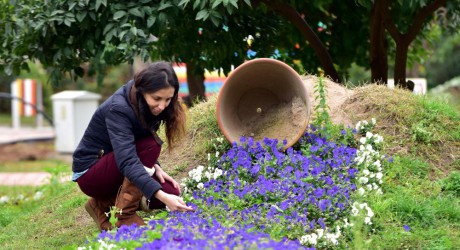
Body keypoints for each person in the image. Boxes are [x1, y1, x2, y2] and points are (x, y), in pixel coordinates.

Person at [72, 61, 194, 232]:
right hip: (91, 174)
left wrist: (156, 167)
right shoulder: (119, 109)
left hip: (114, 165)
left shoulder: (144, 104)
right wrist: (162, 194)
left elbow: (137, 141)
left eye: (168, 99)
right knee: (152, 152)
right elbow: (128, 160)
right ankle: (124, 215)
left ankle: (101, 204)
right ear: (142, 90)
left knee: (171, 191)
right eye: (157, 98)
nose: (162, 106)